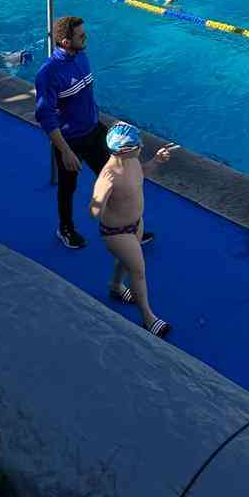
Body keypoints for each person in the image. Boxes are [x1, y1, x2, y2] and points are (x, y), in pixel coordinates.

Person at [90, 122, 176, 338]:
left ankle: (116, 286)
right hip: (116, 232)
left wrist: (156, 161)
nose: (142, 146)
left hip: (135, 224)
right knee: (138, 271)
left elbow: (141, 175)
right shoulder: (108, 177)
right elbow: (93, 212)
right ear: (127, 150)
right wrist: (101, 196)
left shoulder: (132, 161)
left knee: (125, 262)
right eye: (139, 145)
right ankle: (148, 318)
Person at [35, 16, 114, 251]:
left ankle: (123, 227)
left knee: (115, 180)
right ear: (65, 41)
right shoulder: (48, 73)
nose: (85, 38)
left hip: (94, 131)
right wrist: (65, 151)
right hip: (70, 140)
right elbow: (45, 116)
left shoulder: (82, 56)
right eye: (80, 36)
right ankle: (66, 229)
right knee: (68, 188)